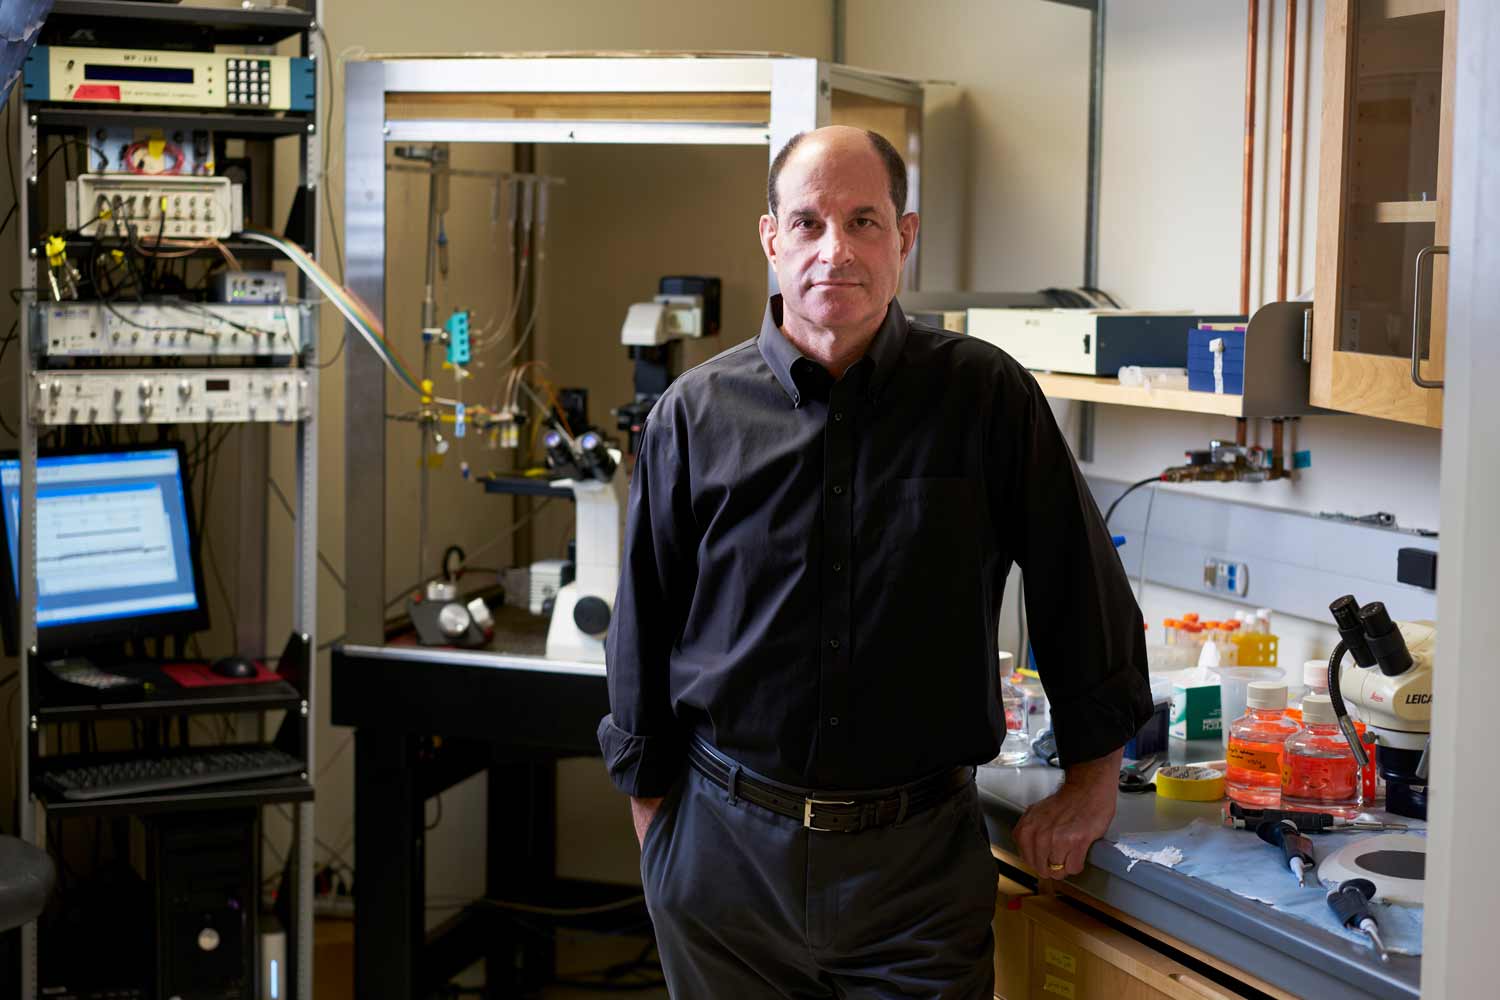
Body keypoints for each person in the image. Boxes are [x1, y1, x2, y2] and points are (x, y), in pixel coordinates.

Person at [598, 125, 1152, 998]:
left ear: (906, 235)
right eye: (809, 222)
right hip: (724, 861)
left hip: (919, 872)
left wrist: (1092, 780)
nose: (835, 251)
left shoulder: (986, 397)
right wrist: (662, 833)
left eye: (864, 221)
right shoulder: (693, 417)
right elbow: (642, 632)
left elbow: (1079, 587)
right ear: (771, 237)